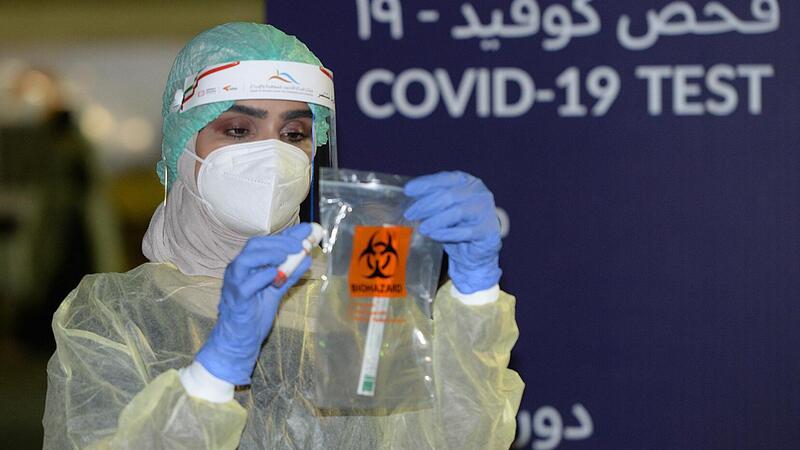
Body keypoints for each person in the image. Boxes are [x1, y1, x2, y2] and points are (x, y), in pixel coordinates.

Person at [42, 22, 524, 449]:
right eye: (238, 130)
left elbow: (453, 440)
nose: (272, 157)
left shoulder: (360, 297)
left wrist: (475, 295)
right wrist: (216, 369)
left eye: (293, 134)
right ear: (181, 148)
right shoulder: (112, 317)